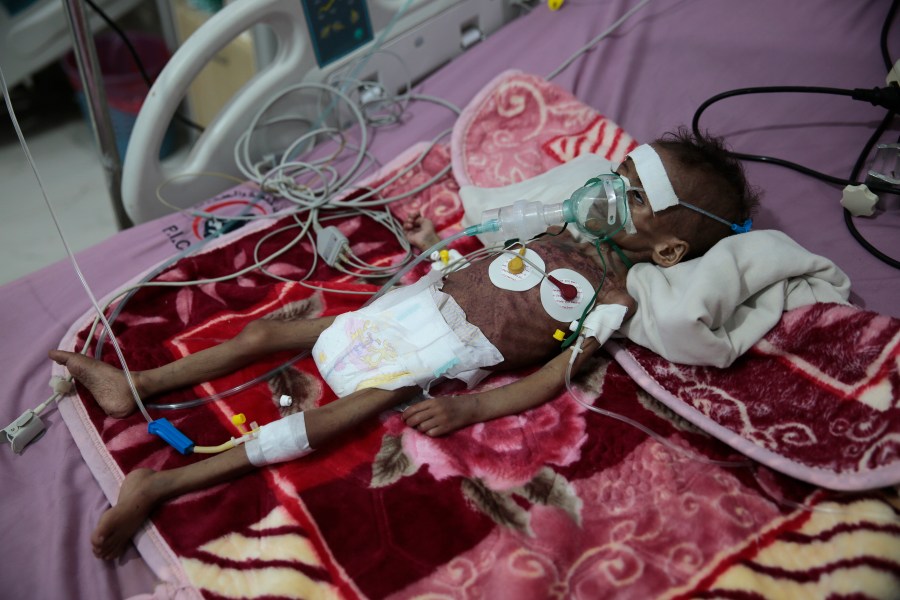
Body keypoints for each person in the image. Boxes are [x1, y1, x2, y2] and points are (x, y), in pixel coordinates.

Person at [49, 129, 759, 560]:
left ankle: (161, 484)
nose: (606, 193)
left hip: (444, 354)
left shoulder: (613, 296)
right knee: (268, 333)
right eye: (621, 176)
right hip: (419, 298)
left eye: (634, 198)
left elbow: (553, 381)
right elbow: (487, 252)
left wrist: (466, 414)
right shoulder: (560, 231)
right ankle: (132, 388)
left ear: (668, 249)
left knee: (332, 418)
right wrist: (433, 246)